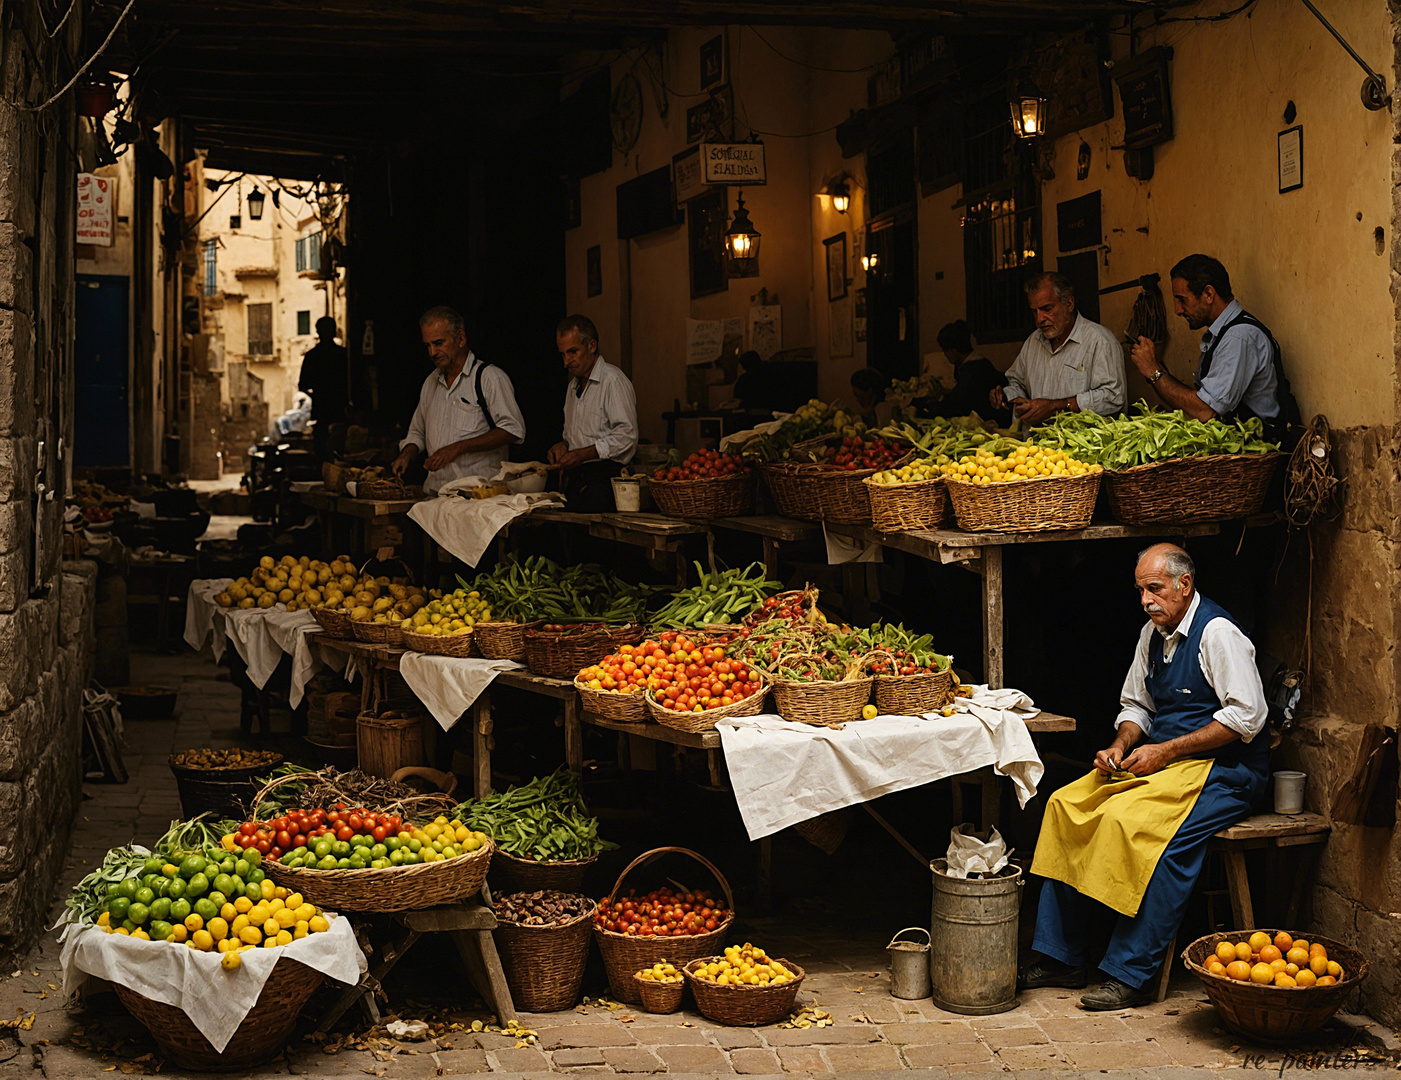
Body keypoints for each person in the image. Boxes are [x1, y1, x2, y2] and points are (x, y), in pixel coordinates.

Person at [1021, 544, 1269, 1010]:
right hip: (1165, 763)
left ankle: (1130, 973)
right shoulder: (1152, 634)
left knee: (1143, 831)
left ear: (1184, 585)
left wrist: (1168, 750)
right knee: (1064, 807)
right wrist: (1120, 745)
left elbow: (1247, 717)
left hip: (1225, 771)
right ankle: (1063, 956)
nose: (1146, 600)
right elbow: (1138, 706)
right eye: (1140, 590)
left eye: (1154, 589)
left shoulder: (1218, 634)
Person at [1129, 254, 1299, 438]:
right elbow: (1200, 400)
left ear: (1209, 294)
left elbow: (1204, 411)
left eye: (1182, 299)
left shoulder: (1239, 337)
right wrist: (1158, 371)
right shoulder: (1224, 335)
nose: (1177, 310)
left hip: (1256, 452)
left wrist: (1154, 372)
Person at [391, 306, 526, 495]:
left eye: (438, 343)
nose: (432, 352)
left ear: (461, 339)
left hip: (479, 498)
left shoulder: (489, 378)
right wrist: (406, 454)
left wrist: (457, 448)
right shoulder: (430, 383)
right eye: (427, 345)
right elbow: (417, 432)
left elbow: (512, 429)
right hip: (436, 495)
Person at [992, 272, 1126, 425]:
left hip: (1081, 446)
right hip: (1036, 446)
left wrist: (1056, 407)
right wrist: (1006, 397)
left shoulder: (1100, 342)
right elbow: (1018, 383)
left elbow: (1113, 398)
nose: (1039, 319)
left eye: (1046, 309)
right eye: (1034, 311)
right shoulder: (1032, 342)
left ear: (1069, 304)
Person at [550, 314, 638, 511]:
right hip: (576, 482)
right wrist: (563, 446)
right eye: (562, 354)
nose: (566, 362)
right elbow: (574, 436)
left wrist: (584, 454)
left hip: (604, 482)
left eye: (572, 352)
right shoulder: (573, 386)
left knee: (596, 541)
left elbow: (627, 436)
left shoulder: (612, 381)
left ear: (591, 346)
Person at [923, 320, 1011, 426]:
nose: (945, 355)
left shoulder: (974, 370)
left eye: (945, 351)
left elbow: (958, 405)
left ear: (953, 350)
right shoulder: (974, 365)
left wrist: (927, 408)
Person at [297, 317, 350, 458]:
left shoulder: (312, 356)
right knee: (340, 452)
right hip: (340, 411)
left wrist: (317, 396)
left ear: (317, 332)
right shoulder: (343, 355)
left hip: (323, 411)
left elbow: (302, 386)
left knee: (322, 454)